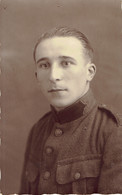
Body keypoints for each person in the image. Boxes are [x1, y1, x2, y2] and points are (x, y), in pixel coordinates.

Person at [20, 27, 122, 194]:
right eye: (44, 65)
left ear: (89, 72)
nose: (53, 76)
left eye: (66, 63)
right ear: (37, 75)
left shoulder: (113, 131)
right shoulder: (37, 130)